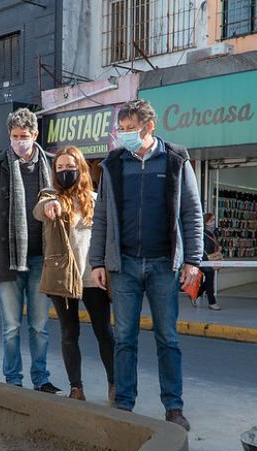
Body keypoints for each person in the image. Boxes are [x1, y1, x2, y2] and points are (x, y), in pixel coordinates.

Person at [89, 99, 203, 431]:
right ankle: (124, 404)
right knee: (124, 337)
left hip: (163, 265)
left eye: (130, 129)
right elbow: (101, 217)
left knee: (167, 338)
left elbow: (192, 212)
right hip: (123, 266)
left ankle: (174, 407)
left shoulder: (176, 160)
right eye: (121, 129)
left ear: (149, 127)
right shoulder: (113, 164)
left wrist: (193, 260)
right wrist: (97, 261)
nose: (124, 134)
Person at [0, 107, 61, 393]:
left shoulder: (51, 165)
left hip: (42, 259)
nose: (19, 141)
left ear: (35, 135)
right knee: (11, 327)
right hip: (7, 260)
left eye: (24, 136)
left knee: (39, 326)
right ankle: (13, 380)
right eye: (14, 136)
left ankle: (41, 378)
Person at [34, 146, 115, 403]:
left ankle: (115, 385)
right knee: (69, 333)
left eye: (70, 167)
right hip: (63, 278)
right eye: (60, 167)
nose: (65, 171)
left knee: (104, 332)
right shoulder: (51, 195)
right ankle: (76, 388)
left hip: (94, 277)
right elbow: (40, 208)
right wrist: (51, 205)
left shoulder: (96, 198)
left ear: (80, 168)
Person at [193, 212, 221, 310]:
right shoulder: (203, 232)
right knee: (210, 282)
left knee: (209, 281)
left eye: (214, 220)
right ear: (206, 221)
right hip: (205, 259)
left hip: (211, 259)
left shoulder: (213, 232)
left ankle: (196, 295)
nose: (213, 222)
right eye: (211, 220)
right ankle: (212, 303)